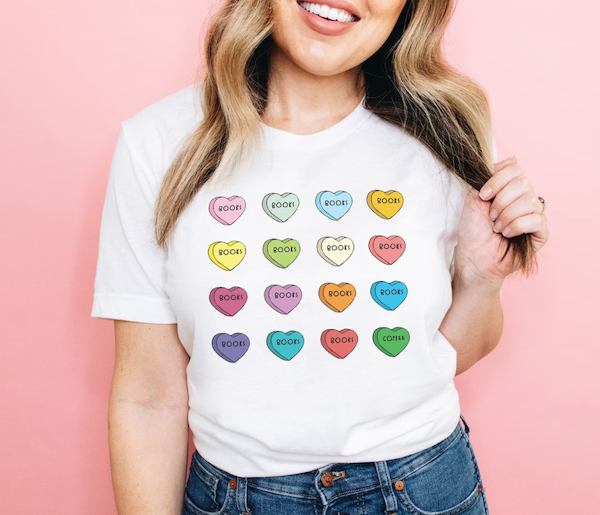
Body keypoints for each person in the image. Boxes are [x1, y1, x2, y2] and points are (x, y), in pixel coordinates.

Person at [91, 0, 549, 514]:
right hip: (239, 497)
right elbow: (148, 397)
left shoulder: (445, 128)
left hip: (423, 485)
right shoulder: (157, 143)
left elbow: (429, 362)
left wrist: (481, 278)